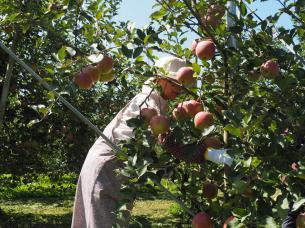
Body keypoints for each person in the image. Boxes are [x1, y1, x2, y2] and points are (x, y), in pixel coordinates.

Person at [71, 56, 233, 228]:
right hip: (107, 169)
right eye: (174, 83)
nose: (180, 89)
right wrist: (207, 150)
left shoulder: (158, 104)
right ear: (159, 79)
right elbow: (169, 142)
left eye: (182, 85)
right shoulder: (148, 101)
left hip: (117, 170)